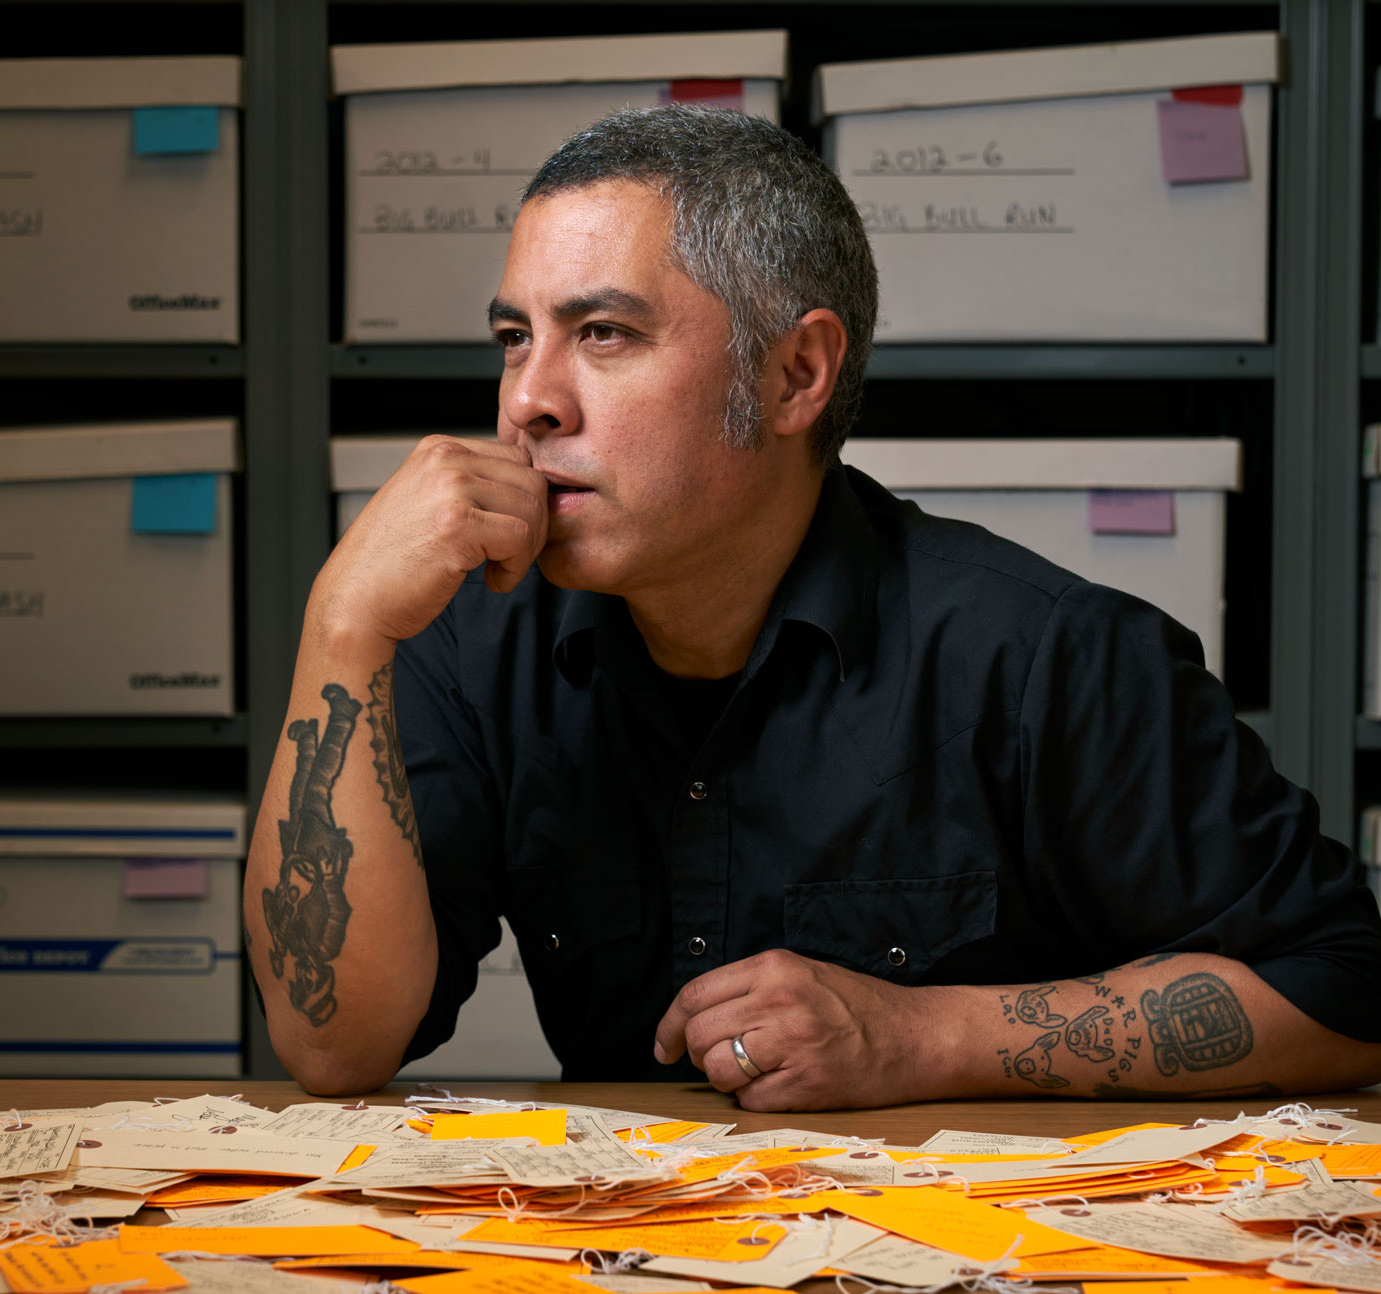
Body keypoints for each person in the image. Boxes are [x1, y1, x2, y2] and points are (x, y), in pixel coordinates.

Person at [242, 104, 1381, 1109]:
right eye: (513, 338)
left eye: (604, 334)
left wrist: (924, 1036)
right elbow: (334, 1047)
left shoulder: (1045, 656)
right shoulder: (467, 642)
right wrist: (341, 623)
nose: (529, 400)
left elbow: (1343, 987)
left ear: (795, 376)